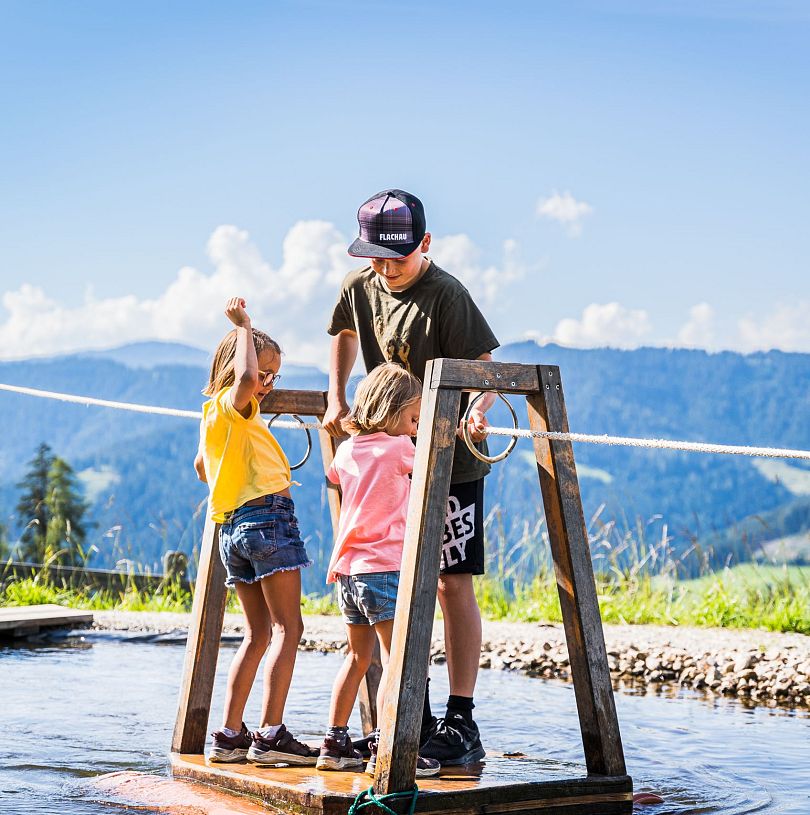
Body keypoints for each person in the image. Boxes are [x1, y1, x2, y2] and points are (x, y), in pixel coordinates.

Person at [323, 189, 498, 766]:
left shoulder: (446, 295)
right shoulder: (360, 286)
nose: (385, 268)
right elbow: (343, 333)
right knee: (395, 586)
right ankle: (409, 718)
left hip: (452, 465)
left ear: (425, 244)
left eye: (396, 257)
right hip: (392, 463)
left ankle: (461, 718)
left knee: (450, 584)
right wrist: (336, 395)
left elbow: (485, 368)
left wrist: (476, 407)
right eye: (375, 257)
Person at [195, 296, 317, 766]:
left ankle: (229, 736)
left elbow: (202, 468)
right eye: (263, 374)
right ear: (236, 368)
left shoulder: (213, 418)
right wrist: (245, 326)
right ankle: (270, 734)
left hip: (232, 529)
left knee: (258, 633)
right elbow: (243, 381)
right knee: (290, 627)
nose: (265, 385)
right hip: (267, 519)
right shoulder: (235, 403)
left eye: (273, 377)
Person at [316, 363, 440, 778]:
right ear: (392, 411)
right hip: (384, 569)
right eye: (412, 418)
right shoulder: (400, 447)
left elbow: (333, 475)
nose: (415, 426)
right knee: (397, 661)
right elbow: (433, 453)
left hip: (349, 572)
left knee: (356, 657)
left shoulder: (348, 450)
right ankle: (389, 747)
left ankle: (334, 743)